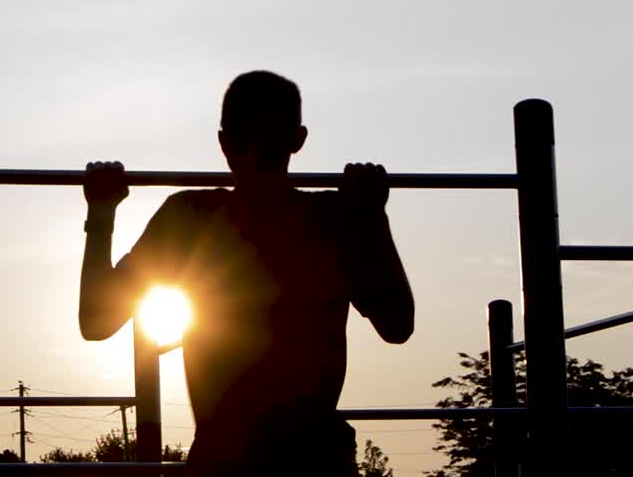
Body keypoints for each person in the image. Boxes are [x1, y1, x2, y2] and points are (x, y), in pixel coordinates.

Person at [79, 70, 414, 475]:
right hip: (312, 460)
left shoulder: (190, 218)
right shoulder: (333, 218)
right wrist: (372, 217)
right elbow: (397, 325)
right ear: (299, 139)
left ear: (222, 142)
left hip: (228, 459)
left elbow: (97, 321)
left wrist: (101, 215)